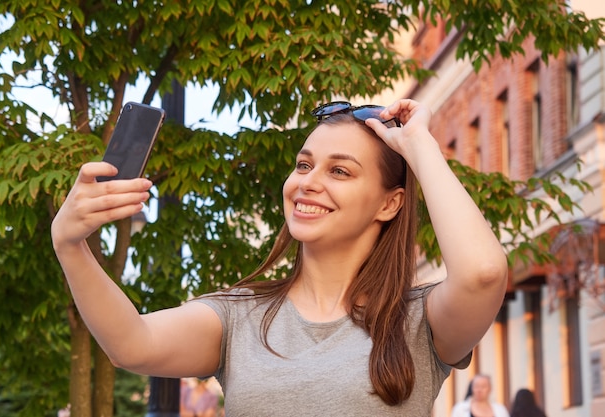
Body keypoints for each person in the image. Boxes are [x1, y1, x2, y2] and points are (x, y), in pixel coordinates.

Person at [51, 99, 508, 415]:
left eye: (340, 171)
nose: (307, 182)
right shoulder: (239, 317)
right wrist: (70, 245)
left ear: (389, 203)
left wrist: (419, 145)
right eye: (304, 164)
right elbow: (131, 344)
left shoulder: (418, 322)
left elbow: (483, 274)